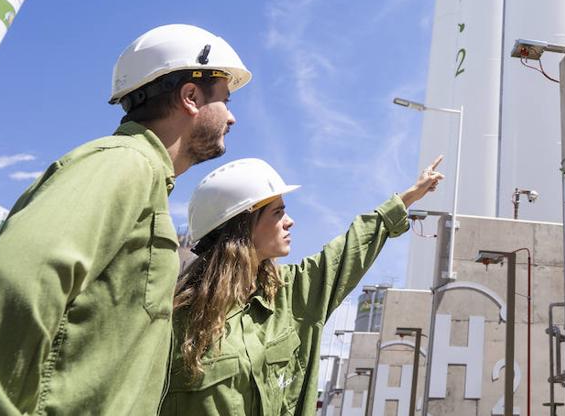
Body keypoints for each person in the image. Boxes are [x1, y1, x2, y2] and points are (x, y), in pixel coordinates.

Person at [0, 24, 250, 415]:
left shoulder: (144, 178)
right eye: (225, 100)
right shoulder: (124, 162)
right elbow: (15, 277)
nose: (232, 118)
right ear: (191, 97)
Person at [162, 154, 444, 415]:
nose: (290, 221)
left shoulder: (293, 293)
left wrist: (408, 197)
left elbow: (349, 248)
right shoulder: (173, 321)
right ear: (243, 226)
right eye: (277, 213)